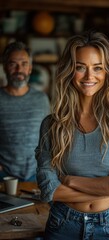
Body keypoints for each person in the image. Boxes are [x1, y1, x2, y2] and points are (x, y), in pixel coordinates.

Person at [35, 31, 109, 240]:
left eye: (97, 68)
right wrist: (108, 186)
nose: (89, 76)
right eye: (80, 67)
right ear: (69, 71)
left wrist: (70, 180)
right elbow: (49, 189)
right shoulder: (52, 125)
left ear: (107, 72)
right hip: (62, 224)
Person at [0, 41, 50, 182]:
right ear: (5, 67)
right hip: (3, 176)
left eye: (24, 64)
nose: (19, 69)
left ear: (30, 68)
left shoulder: (41, 99)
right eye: (13, 64)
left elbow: (48, 137)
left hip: (36, 175)